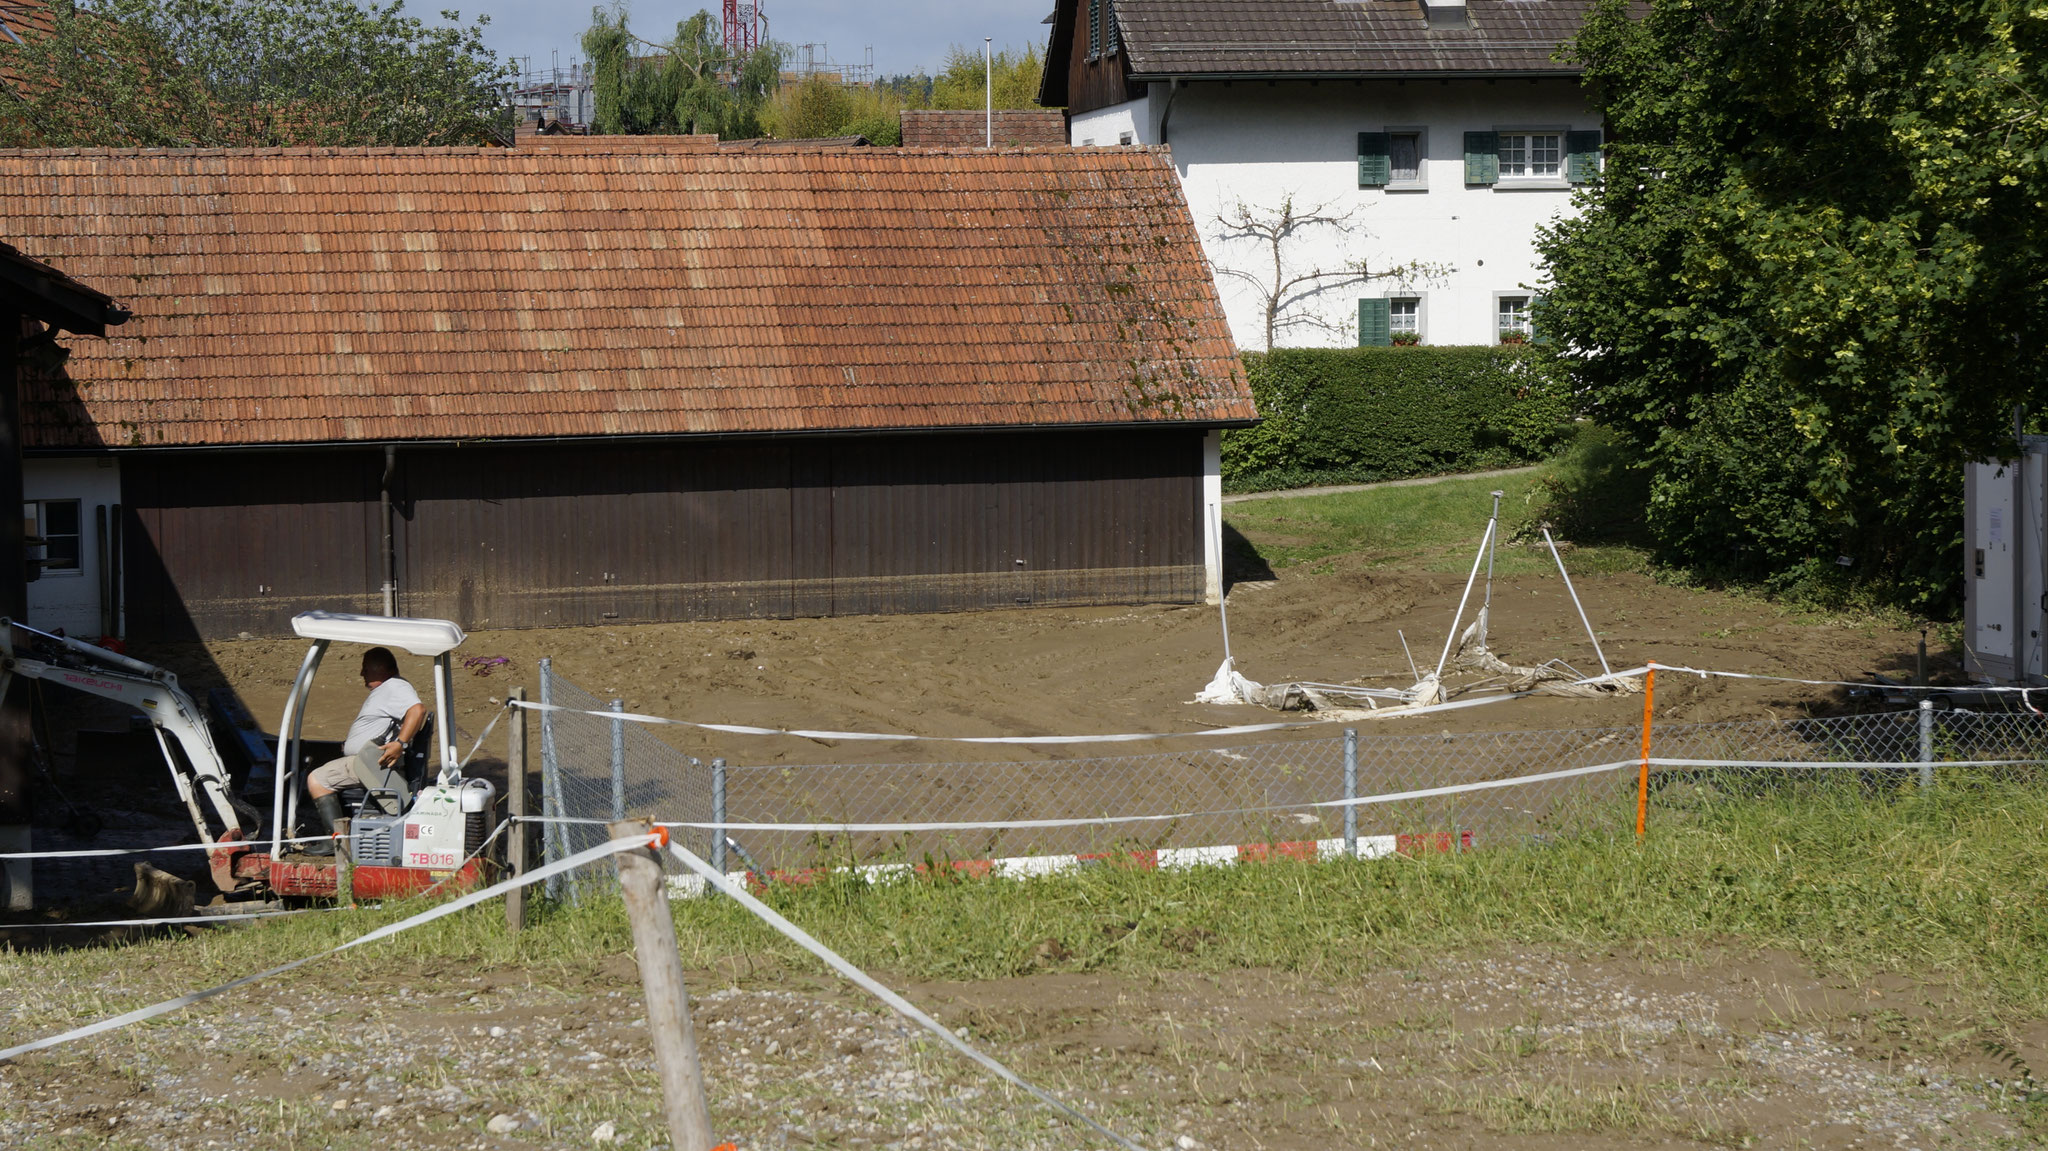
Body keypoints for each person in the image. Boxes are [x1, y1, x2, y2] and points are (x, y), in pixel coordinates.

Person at [300, 647, 425, 855]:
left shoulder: (395, 686)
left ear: (381, 670)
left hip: (368, 763)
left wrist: (399, 744)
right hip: (364, 760)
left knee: (317, 779)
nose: (361, 674)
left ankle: (335, 843)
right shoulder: (389, 689)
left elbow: (418, 710)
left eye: (365, 669)